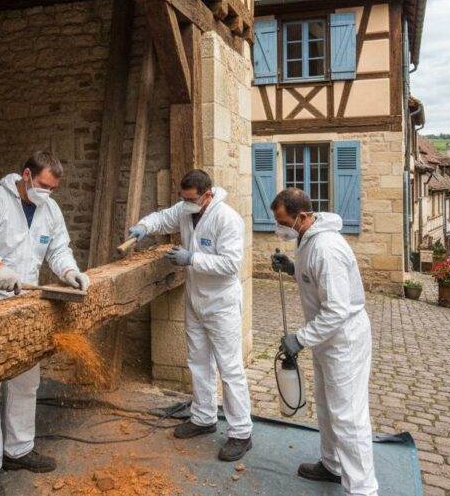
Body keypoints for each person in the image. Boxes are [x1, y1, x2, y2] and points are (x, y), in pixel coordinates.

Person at [0, 151, 91, 496]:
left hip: (26, 306)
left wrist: (69, 272)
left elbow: (58, 249)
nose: (47, 193)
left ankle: (18, 449)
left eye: (52, 189)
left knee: (25, 382)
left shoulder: (50, 209)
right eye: (43, 186)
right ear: (26, 175)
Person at [127, 169, 253, 461]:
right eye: (183, 199)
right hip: (195, 299)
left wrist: (192, 258)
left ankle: (241, 433)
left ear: (207, 195)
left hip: (221, 303)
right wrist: (143, 226)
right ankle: (204, 417)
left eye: (191, 199)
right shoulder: (186, 209)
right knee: (197, 360)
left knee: (230, 368)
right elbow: (162, 218)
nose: (186, 204)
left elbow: (231, 264)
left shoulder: (227, 219)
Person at [269, 188, 378, 495]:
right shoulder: (307, 237)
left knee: (349, 414)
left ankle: (363, 489)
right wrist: (292, 267)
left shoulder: (327, 248)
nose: (280, 227)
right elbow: (314, 278)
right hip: (324, 338)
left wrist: (300, 339)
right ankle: (333, 465)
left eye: (283, 221)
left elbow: (336, 310)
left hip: (344, 339)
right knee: (327, 405)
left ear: (301, 217)